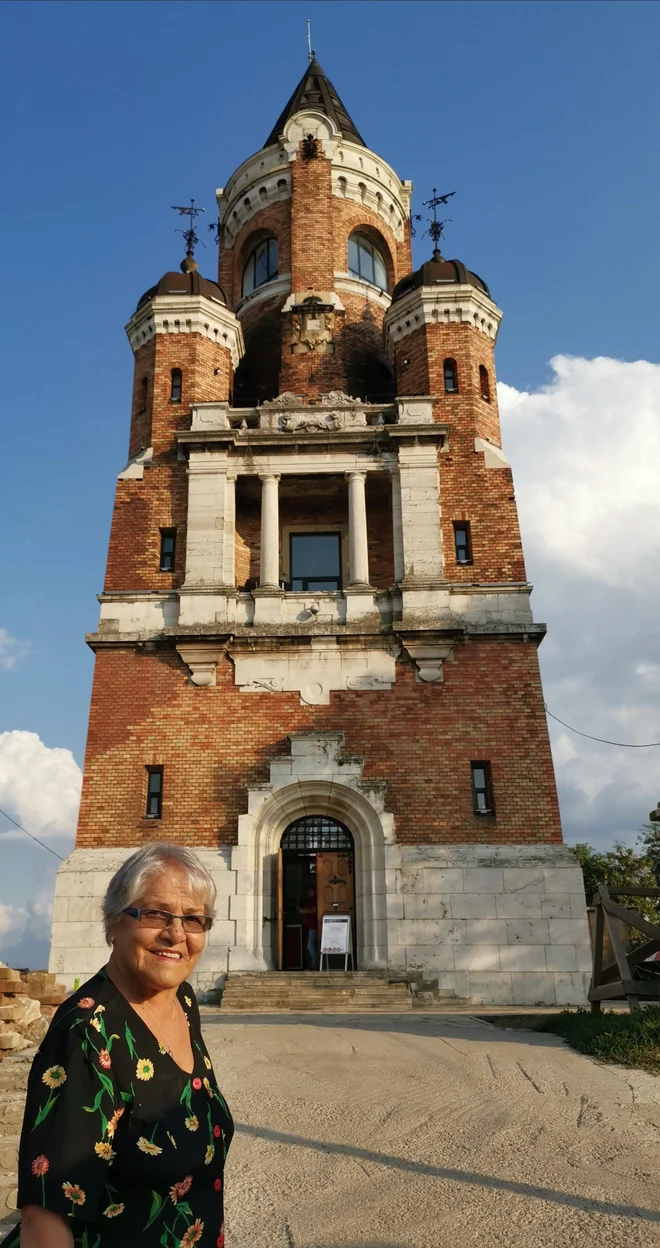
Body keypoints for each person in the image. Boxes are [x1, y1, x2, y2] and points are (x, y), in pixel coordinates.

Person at [1, 842, 233, 1248]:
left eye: (194, 919)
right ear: (115, 921)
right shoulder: (87, 1031)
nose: (176, 933)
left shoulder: (183, 999)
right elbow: (46, 1219)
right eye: (155, 913)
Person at [298, 888, 318, 971]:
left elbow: (314, 910)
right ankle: (314, 965)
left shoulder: (316, 899)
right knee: (311, 946)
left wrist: (304, 912)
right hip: (310, 927)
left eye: (311, 890)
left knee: (310, 946)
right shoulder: (311, 901)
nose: (308, 892)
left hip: (314, 927)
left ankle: (315, 966)